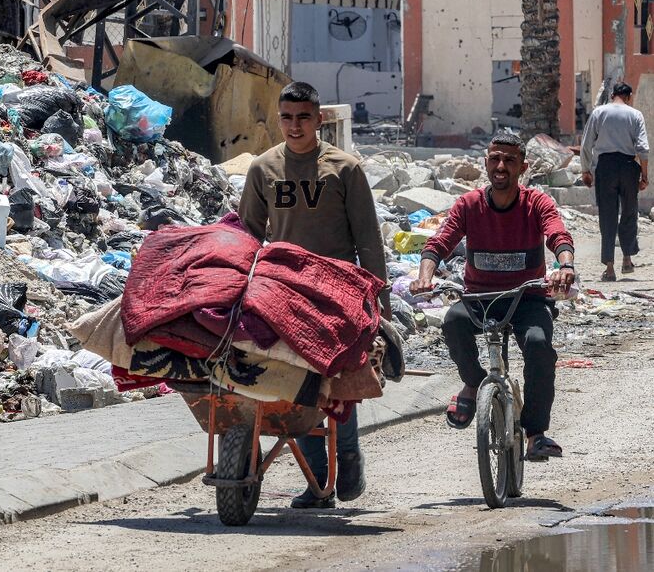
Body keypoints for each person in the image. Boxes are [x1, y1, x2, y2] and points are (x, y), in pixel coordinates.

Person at [238, 82, 389, 509]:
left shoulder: (345, 169)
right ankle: (317, 479)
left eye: (303, 116)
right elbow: (248, 236)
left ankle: (350, 459)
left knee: (340, 383)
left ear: (319, 118)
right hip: (282, 293)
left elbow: (368, 240)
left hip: (338, 293)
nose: (294, 125)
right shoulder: (263, 169)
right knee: (297, 384)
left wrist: (381, 304)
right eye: (286, 117)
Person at [409, 130, 576, 461]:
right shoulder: (469, 205)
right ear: (486, 163)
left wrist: (565, 266)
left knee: (540, 347)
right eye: (495, 159)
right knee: (453, 323)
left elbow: (557, 233)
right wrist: (424, 278)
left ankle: (535, 433)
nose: (501, 166)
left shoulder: (535, 202)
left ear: (522, 167)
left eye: (509, 160)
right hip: (480, 299)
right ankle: (473, 385)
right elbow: (437, 244)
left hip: (527, 298)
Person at [580, 82, 649, 281]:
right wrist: (644, 176)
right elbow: (643, 148)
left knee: (607, 215)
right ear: (629, 96)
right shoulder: (635, 115)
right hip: (628, 167)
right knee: (629, 211)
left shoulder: (599, 112)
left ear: (612, 96)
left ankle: (609, 268)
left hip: (606, 167)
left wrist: (585, 170)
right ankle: (627, 259)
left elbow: (586, 144)